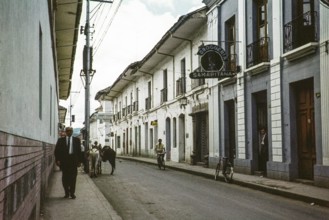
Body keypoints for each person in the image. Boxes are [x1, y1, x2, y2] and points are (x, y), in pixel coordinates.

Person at [54, 127, 82, 199]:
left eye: (70, 131)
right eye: (68, 131)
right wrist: (57, 160)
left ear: (72, 132)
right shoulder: (61, 140)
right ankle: (66, 192)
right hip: (64, 161)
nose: (69, 132)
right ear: (65, 132)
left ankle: (72, 193)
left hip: (73, 161)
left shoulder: (77, 140)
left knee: (73, 178)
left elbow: (79, 152)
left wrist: (80, 161)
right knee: (65, 178)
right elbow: (57, 151)